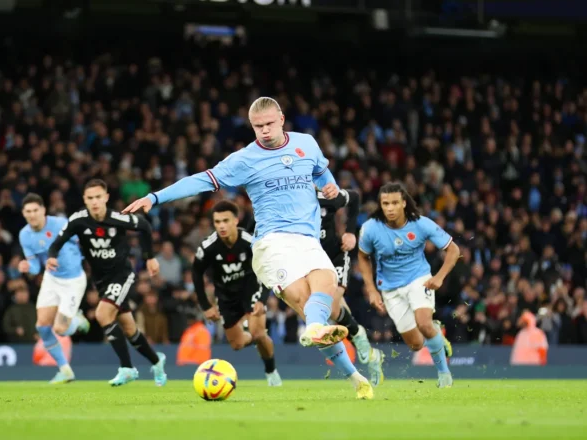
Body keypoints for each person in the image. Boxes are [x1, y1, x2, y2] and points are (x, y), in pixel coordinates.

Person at [124, 97, 372, 399]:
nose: (264, 131)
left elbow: (321, 174)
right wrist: (155, 197)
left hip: (307, 240)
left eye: (269, 124)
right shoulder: (244, 159)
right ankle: (325, 338)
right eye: (258, 127)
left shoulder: (306, 144)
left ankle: (354, 376)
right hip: (272, 243)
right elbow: (201, 180)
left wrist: (329, 186)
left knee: (326, 287)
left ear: (281, 119)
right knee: (306, 302)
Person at [47, 179, 167, 387]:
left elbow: (145, 226)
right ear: (85, 199)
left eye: (98, 197)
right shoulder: (78, 220)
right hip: (101, 281)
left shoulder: (117, 218)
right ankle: (157, 362)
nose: (94, 202)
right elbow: (58, 241)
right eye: (90, 198)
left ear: (106, 198)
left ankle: (127, 368)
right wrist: (52, 256)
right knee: (129, 328)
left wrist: (149, 257)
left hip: (121, 275)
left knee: (103, 314)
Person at [357, 182, 460, 388]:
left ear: (404, 203)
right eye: (385, 203)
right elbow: (362, 256)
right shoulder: (370, 229)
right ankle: (435, 331)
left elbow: (454, 250)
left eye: (395, 203)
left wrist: (439, 277)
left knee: (423, 323)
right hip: (390, 289)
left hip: (418, 279)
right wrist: (371, 289)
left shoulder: (421, 224)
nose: (390, 208)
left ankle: (444, 374)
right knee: (415, 344)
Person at [192, 200, 282, 386]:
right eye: (217, 222)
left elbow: (267, 267)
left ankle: (271, 370)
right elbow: (196, 272)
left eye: (225, 220)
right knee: (237, 344)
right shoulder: (208, 246)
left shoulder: (249, 241)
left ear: (236, 220)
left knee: (257, 332)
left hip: (251, 288)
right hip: (226, 296)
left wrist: (262, 299)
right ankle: (258, 337)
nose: (221, 226)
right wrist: (205, 305)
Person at [17, 193, 90, 384]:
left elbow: (84, 240)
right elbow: (35, 266)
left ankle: (78, 319)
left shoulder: (60, 224)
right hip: (51, 279)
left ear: (43, 210)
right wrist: (27, 267)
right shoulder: (25, 235)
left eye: (35, 210)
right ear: (23, 213)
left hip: (73, 280)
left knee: (61, 329)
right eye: (28, 211)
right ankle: (65, 370)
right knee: (42, 327)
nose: (32, 215)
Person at [317, 189, 385, 385]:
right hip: (310, 262)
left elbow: (354, 196)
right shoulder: (289, 199)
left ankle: (361, 350)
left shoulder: (325, 195)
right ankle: (370, 354)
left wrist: (350, 232)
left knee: (329, 306)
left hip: (335, 255)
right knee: (334, 311)